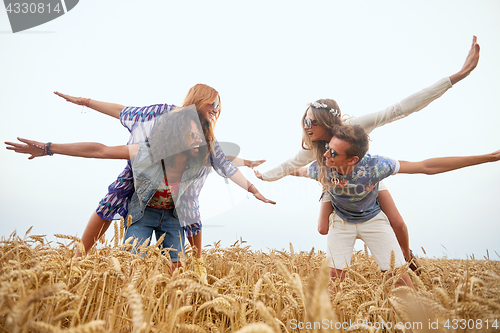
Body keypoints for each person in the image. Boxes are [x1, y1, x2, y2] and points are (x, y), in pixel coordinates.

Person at [255, 36, 480, 267]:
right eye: (305, 120)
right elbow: (289, 166)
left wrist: (456, 77)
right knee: (323, 228)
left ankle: (405, 256)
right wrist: (264, 176)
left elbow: (399, 109)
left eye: (312, 122)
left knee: (398, 223)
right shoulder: (312, 150)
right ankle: (346, 223)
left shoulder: (355, 129)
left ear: (325, 121)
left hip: (364, 177)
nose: (306, 126)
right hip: (333, 183)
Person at [6, 107, 276, 273]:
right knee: (129, 262)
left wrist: (253, 187)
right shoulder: (147, 153)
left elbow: (225, 163)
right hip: (142, 215)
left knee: (178, 273)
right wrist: (49, 148)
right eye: (192, 135)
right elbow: (100, 150)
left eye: (200, 136)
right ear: (176, 135)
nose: (198, 141)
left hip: (173, 220)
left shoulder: (199, 156)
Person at [49, 83, 269, 263]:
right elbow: (124, 113)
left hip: (174, 195)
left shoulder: (206, 137)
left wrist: (247, 168)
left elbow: (218, 159)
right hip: (145, 165)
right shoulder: (166, 112)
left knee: (189, 211)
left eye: (219, 106)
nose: (216, 109)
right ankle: (77, 261)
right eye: (213, 103)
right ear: (199, 99)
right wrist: (84, 102)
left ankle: (197, 264)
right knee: (113, 199)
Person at [294, 124, 500, 290]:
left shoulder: (377, 166)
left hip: (373, 218)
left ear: (353, 159)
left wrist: (487, 158)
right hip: (341, 220)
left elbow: (425, 166)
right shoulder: (320, 168)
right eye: (328, 147)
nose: (325, 155)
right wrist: (265, 175)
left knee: (400, 282)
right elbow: (292, 170)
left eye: (333, 153)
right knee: (333, 283)